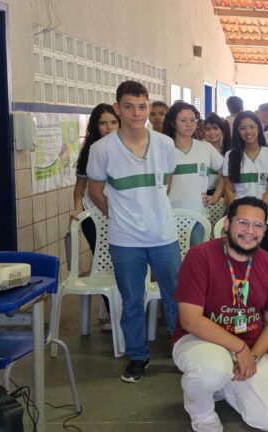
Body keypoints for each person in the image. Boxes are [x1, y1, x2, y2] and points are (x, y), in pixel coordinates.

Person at [86, 80, 181, 383]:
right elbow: (95, 190)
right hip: (125, 240)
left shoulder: (165, 144)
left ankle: (182, 352)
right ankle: (138, 356)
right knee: (131, 300)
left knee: (176, 297)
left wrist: (152, 209)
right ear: (118, 108)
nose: (136, 113)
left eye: (142, 106)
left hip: (163, 235)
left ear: (149, 108)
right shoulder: (102, 149)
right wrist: (118, 216)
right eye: (128, 106)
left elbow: (166, 182)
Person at [173, 197, 268, 431]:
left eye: (258, 225)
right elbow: (189, 319)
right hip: (199, 340)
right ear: (227, 223)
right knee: (212, 369)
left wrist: (253, 356)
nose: (249, 231)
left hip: (249, 346)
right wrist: (239, 348)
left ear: (265, 230)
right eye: (243, 223)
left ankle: (222, 384)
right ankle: (202, 414)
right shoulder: (200, 256)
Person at [72, 103, 120, 331]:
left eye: (113, 122)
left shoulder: (126, 147)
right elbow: (80, 186)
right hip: (96, 215)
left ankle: (126, 311)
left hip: (122, 214)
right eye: (103, 123)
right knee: (103, 262)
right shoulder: (91, 150)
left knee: (123, 263)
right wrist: (76, 209)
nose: (109, 127)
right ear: (95, 126)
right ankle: (112, 313)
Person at [164, 102, 224, 246]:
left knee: (196, 261)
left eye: (192, 120)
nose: (189, 124)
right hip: (169, 215)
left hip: (199, 215)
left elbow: (225, 173)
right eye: (183, 120)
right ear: (173, 123)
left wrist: (215, 196)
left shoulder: (205, 147)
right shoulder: (165, 148)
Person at [223, 111, 268, 207]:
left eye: (252, 127)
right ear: (238, 131)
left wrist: (262, 209)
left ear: (258, 128)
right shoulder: (230, 155)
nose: (248, 131)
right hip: (239, 212)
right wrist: (236, 210)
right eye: (243, 128)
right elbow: (228, 189)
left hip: (262, 211)